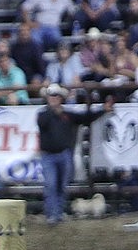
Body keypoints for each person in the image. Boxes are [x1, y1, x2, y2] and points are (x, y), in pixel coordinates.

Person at [36, 84, 112, 224]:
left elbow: (86, 117)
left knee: (60, 186)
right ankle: (52, 214)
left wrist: (102, 110)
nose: (53, 98)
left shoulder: (66, 115)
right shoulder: (43, 115)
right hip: (50, 155)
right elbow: (43, 123)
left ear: (60, 98)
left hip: (63, 154)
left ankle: (56, 214)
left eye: (56, 96)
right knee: (52, 185)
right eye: (51, 96)